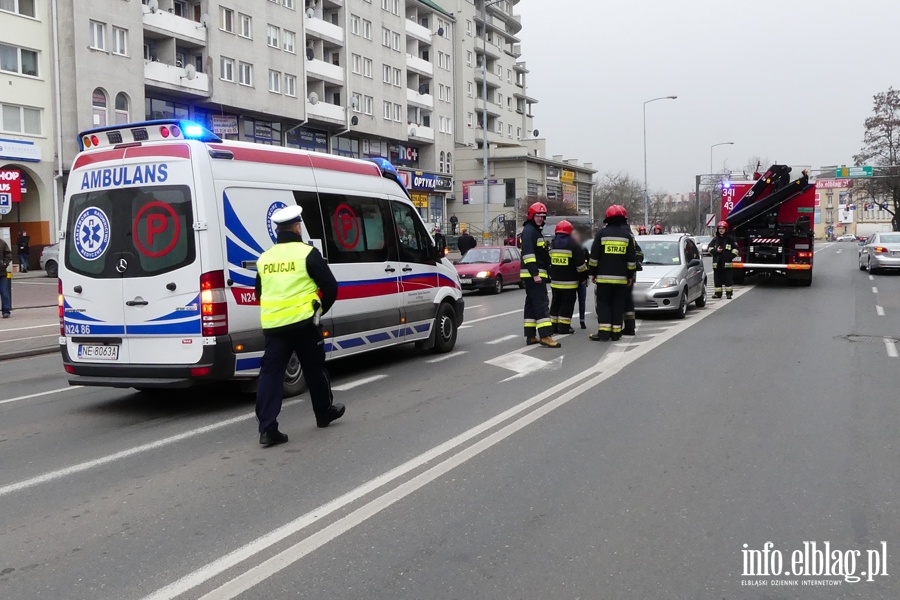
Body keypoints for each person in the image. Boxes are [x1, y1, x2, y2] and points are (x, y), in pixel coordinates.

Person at [254, 205, 344, 447]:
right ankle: (323, 413)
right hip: (304, 324)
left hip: (274, 326)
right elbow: (331, 286)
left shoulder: (265, 258)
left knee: (271, 375)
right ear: (297, 228)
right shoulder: (307, 253)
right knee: (314, 369)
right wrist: (319, 308)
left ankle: (267, 428)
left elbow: (259, 292)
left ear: (277, 230)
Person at [588, 205, 637, 341]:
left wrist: (593, 273)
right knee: (618, 304)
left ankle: (604, 333)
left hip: (603, 279)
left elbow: (594, 258)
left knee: (604, 304)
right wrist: (629, 276)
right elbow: (631, 260)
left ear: (607, 218)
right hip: (621, 280)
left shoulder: (601, 234)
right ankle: (616, 333)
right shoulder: (627, 236)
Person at [520, 201, 560, 348]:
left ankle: (530, 336)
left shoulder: (534, 231)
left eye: (542, 216)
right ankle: (546, 335)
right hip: (534, 276)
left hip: (533, 275)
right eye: (538, 216)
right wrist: (535, 274)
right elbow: (528, 255)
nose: (540, 219)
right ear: (532, 215)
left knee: (531, 305)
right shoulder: (530, 231)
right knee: (541, 303)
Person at [549, 220, 587, 335]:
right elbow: (580, 265)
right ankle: (564, 327)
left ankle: (553, 326)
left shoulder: (553, 243)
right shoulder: (574, 244)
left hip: (555, 282)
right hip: (570, 282)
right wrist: (583, 277)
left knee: (555, 303)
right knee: (567, 303)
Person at [710, 220, 740, 299]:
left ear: (726, 229)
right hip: (717, 264)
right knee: (717, 279)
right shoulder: (715, 239)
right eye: (719, 228)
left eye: (722, 228)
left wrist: (730, 257)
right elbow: (709, 248)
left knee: (728, 280)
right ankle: (718, 294)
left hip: (727, 264)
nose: (721, 230)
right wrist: (716, 251)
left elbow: (736, 249)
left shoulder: (730, 239)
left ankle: (729, 294)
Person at [0, 237, 11, 318]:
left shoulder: (2, 243)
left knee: (4, 292)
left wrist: (4, 264)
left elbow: (8, 254)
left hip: (2, 273)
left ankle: (6, 310)